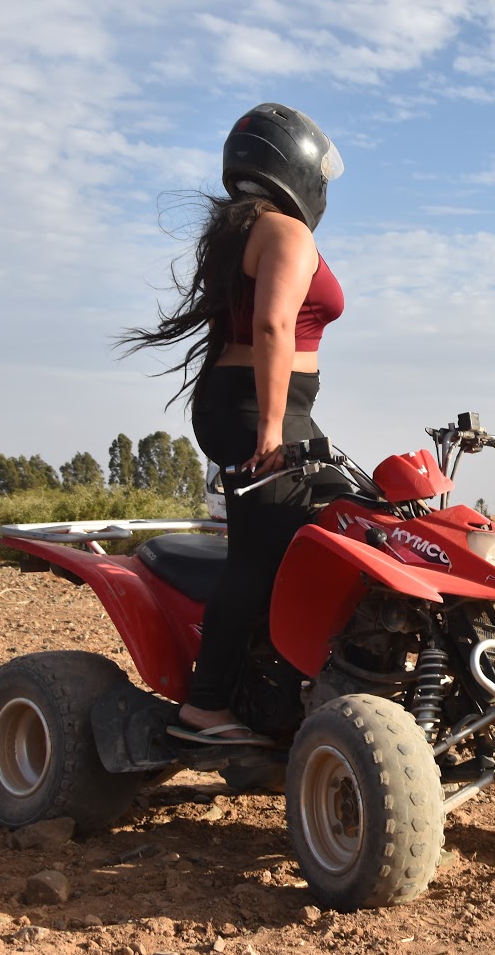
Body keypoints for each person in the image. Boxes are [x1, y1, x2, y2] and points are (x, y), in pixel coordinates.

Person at [120, 103, 345, 746]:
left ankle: (294, 679)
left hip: (258, 402)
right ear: (300, 168)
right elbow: (273, 325)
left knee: (347, 519)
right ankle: (207, 703)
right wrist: (272, 429)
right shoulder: (287, 232)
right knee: (262, 551)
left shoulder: (244, 230)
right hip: (260, 407)